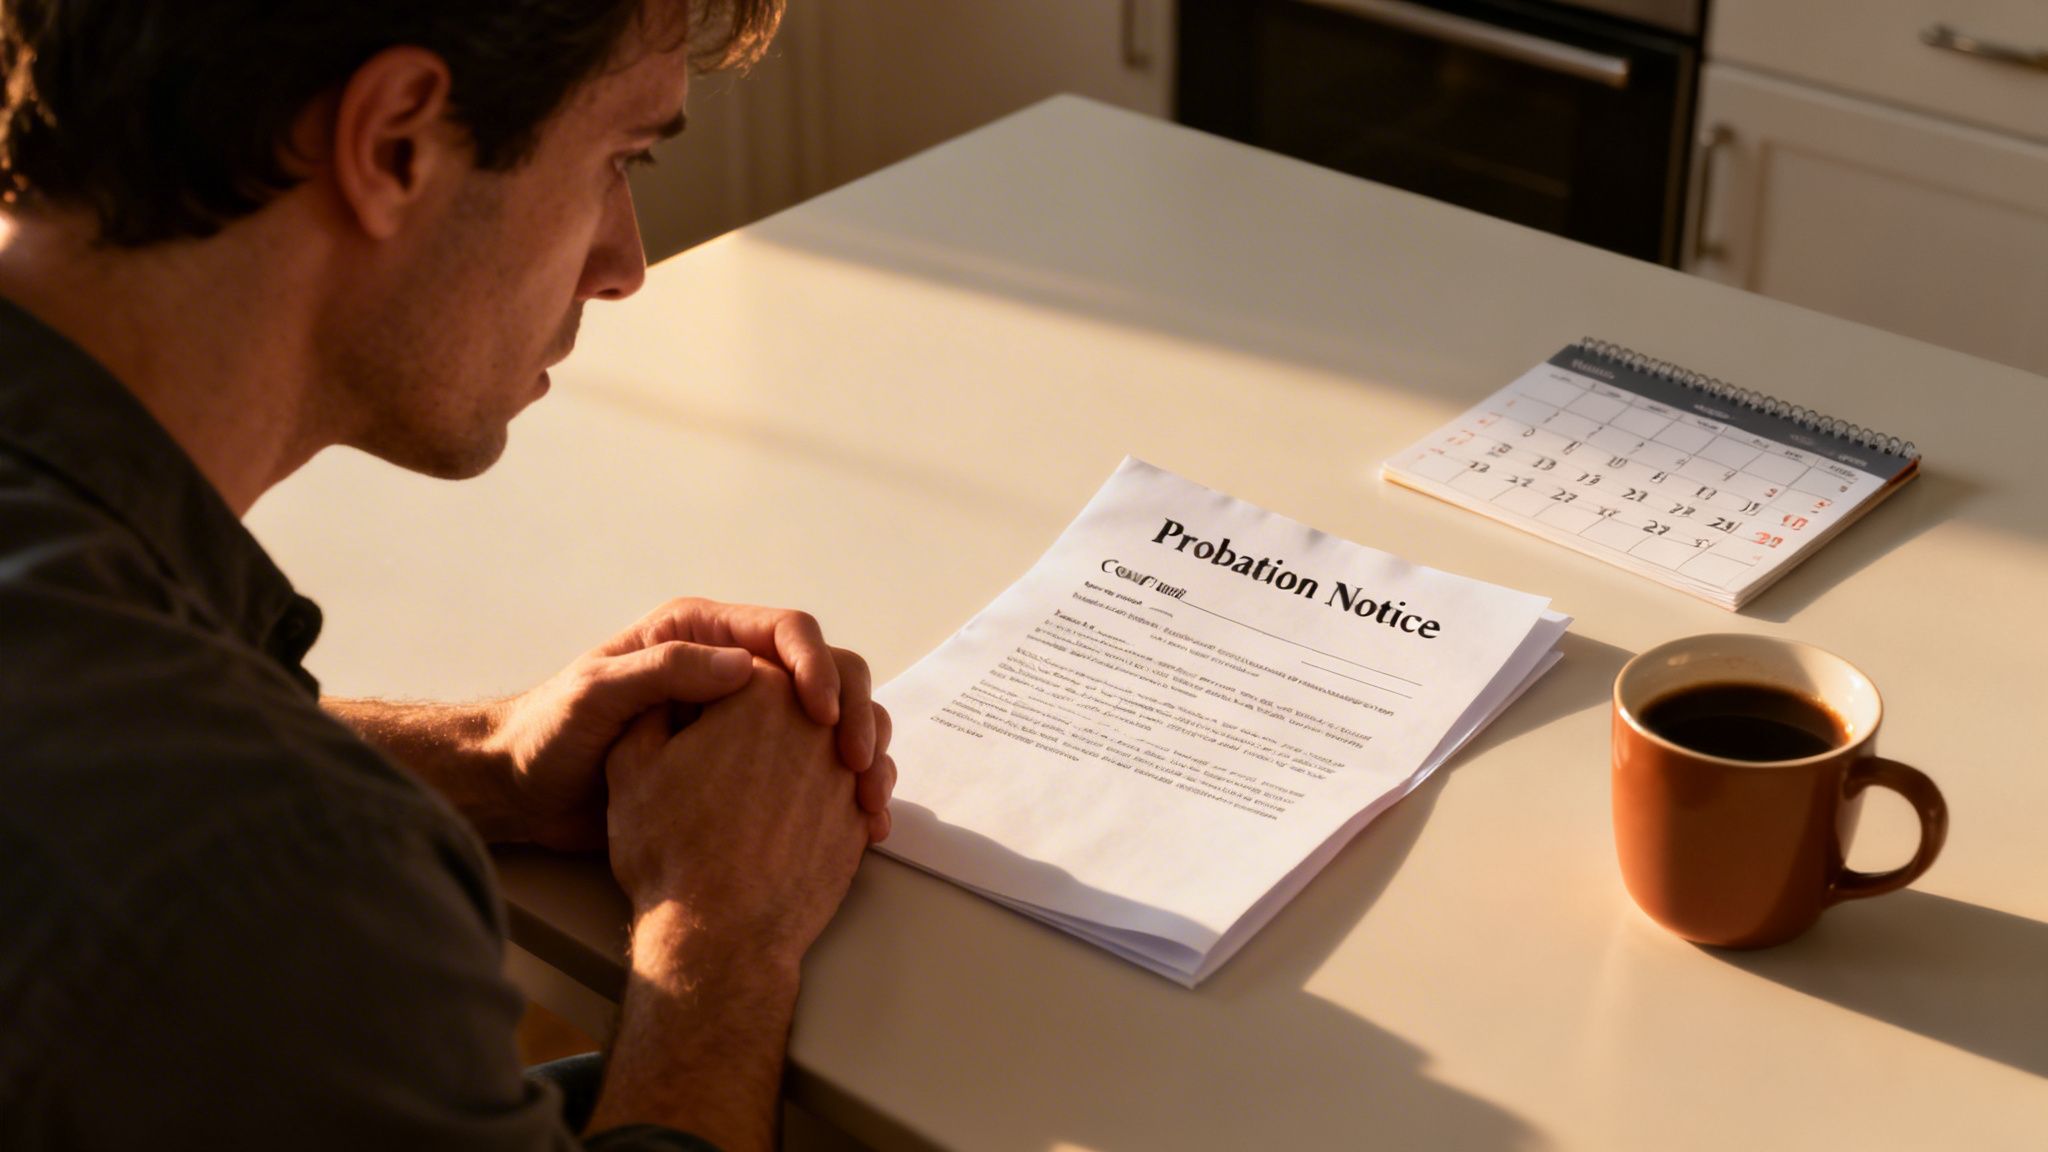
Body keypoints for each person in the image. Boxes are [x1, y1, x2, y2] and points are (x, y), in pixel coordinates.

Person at [0, 2, 895, 1149]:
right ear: (393, 147)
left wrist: (487, 760)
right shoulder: (272, 887)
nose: (623, 265)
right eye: (618, 158)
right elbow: (200, 836)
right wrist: (721, 935)